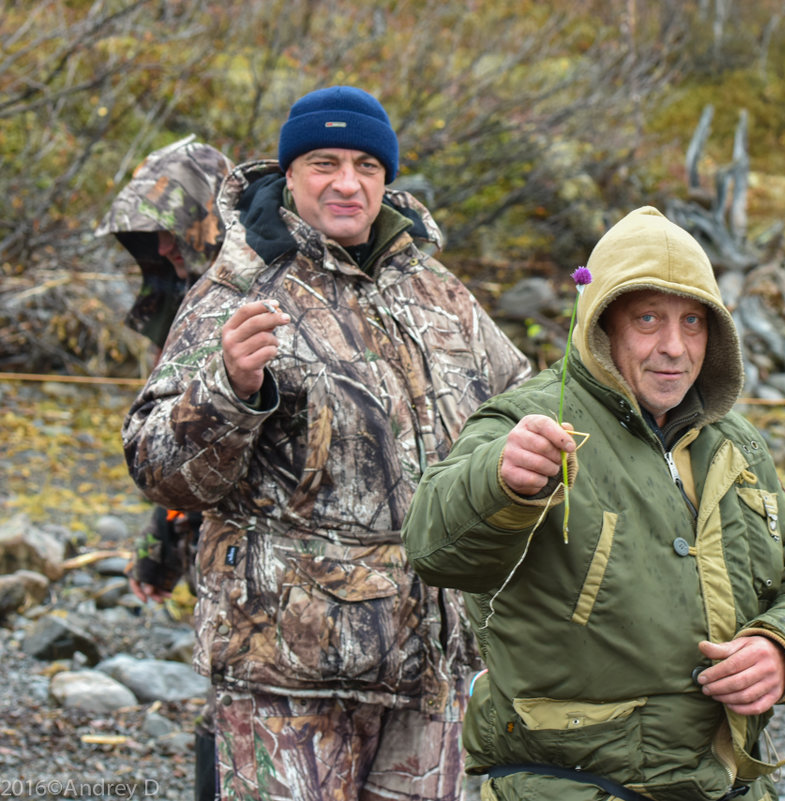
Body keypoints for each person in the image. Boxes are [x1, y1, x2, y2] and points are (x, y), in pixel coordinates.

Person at [121, 85, 532, 801]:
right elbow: (157, 466)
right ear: (290, 173)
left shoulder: (437, 292)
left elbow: (517, 403)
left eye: (366, 166)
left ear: (386, 178)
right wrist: (227, 390)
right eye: (324, 163)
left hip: (435, 672)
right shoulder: (233, 290)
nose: (347, 183)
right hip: (287, 677)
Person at [401, 206, 785, 801]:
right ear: (601, 323)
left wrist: (782, 649)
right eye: (647, 318)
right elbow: (434, 550)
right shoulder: (529, 419)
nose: (674, 346)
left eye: (693, 321)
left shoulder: (735, 446)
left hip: (725, 785)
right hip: (568, 785)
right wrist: (500, 482)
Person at [98, 134, 234, 801]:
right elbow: (168, 451)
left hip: (254, 538)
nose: (163, 251)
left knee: (231, 692)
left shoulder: (244, 295)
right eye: (152, 238)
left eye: (172, 235)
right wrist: (157, 551)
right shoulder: (175, 300)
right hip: (203, 529)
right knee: (219, 689)